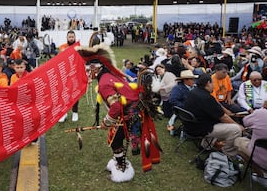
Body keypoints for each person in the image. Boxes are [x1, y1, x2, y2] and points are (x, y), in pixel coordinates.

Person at [75, 43, 161, 182]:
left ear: (94, 69)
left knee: (115, 142)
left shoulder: (103, 83)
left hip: (129, 114)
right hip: (130, 111)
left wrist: (106, 121)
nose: (87, 75)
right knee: (115, 139)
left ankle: (122, 169)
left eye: (88, 71)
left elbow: (115, 106)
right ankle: (119, 162)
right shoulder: (109, 74)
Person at [184, 73, 243, 158]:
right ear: (208, 83)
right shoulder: (206, 97)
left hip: (190, 125)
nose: (214, 85)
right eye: (213, 83)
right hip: (199, 129)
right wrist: (238, 125)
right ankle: (227, 154)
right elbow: (223, 117)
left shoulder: (193, 92)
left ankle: (206, 146)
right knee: (236, 129)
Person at [234, 99, 267, 188]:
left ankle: (261, 175)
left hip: (263, 161)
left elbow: (245, 122)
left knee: (238, 142)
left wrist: (263, 109)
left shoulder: (262, 113)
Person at [58, 30, 80, 122]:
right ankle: (64, 113)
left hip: (75, 73)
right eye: (69, 37)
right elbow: (59, 60)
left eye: (72, 37)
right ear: (67, 38)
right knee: (64, 93)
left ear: (75, 37)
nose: (71, 38)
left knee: (74, 93)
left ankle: (75, 112)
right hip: (65, 73)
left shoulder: (78, 47)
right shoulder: (62, 47)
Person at [167, 70, 197, 135]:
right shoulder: (178, 88)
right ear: (185, 80)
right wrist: (185, 107)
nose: (194, 81)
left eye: (193, 79)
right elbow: (172, 100)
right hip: (185, 112)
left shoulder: (195, 88)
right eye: (192, 79)